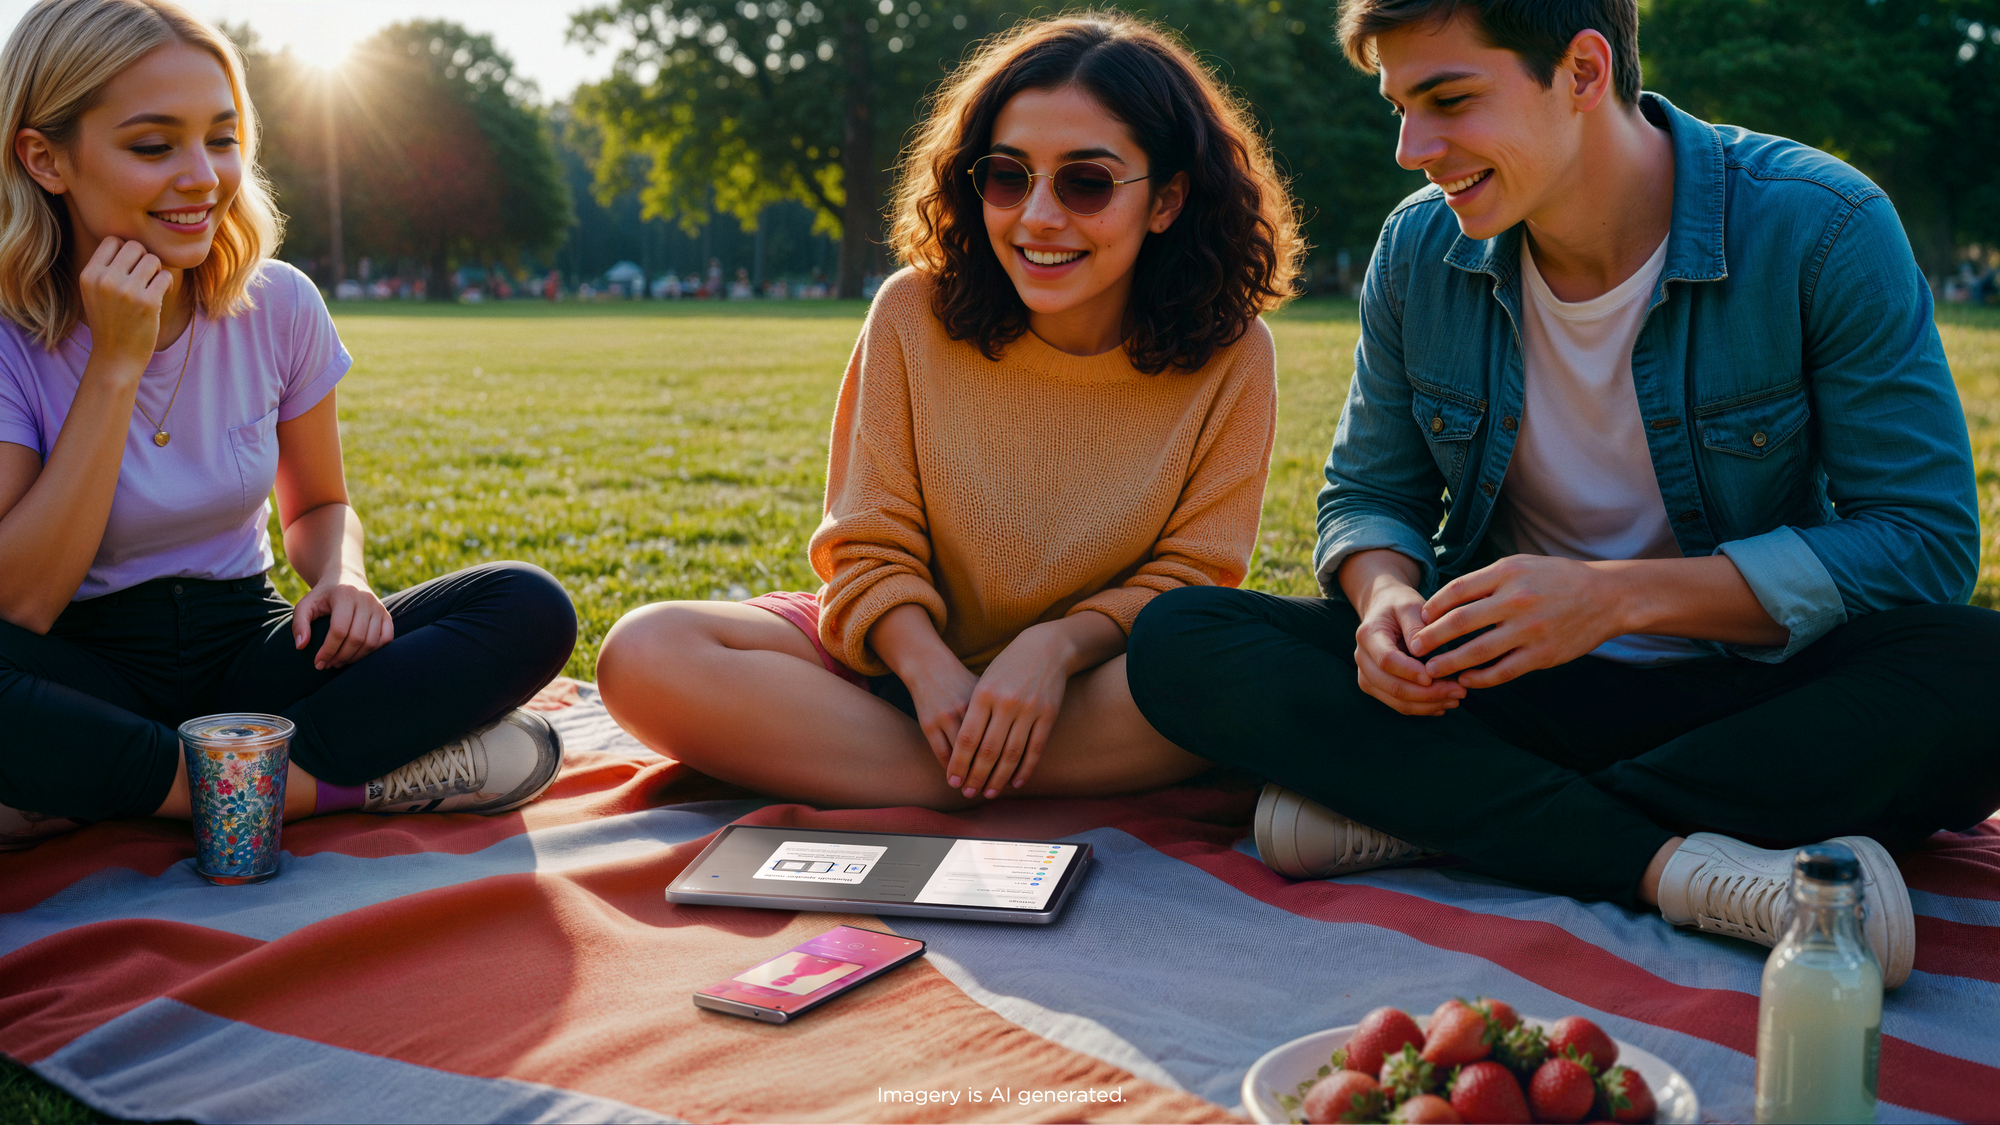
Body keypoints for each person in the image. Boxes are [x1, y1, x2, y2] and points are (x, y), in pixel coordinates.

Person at [1125, 0, 2000, 989]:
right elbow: (1370, 494)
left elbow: (1920, 540)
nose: (1413, 148)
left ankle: (1429, 815)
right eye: (1399, 106)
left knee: (1984, 673)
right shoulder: (1418, 251)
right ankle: (1673, 864)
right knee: (1177, 641)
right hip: (1497, 686)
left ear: (1582, 72)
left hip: (1747, 694)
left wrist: (1612, 598)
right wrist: (1384, 605)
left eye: (1448, 99)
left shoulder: (1823, 227)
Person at [597, 12, 1300, 808]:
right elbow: (866, 546)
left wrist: (1057, 646)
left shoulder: (1235, 354)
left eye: (1086, 182)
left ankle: (892, 771)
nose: (1037, 216)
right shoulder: (913, 312)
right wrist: (929, 671)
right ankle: (969, 774)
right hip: (889, 673)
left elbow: (1191, 579)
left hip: (1092, 692)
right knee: (644, 650)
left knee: (1239, 668)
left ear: (1167, 199)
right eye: (1008, 175)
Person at [0, 0, 577, 850]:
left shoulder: (279, 304)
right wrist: (114, 365)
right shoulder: (10, 332)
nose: (202, 176)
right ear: (46, 158)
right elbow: (23, 601)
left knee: (526, 604)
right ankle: (327, 782)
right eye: (154, 146)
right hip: (86, 663)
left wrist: (342, 577)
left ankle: (139, 787)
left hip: (250, 652)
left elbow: (314, 509)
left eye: (223, 138)